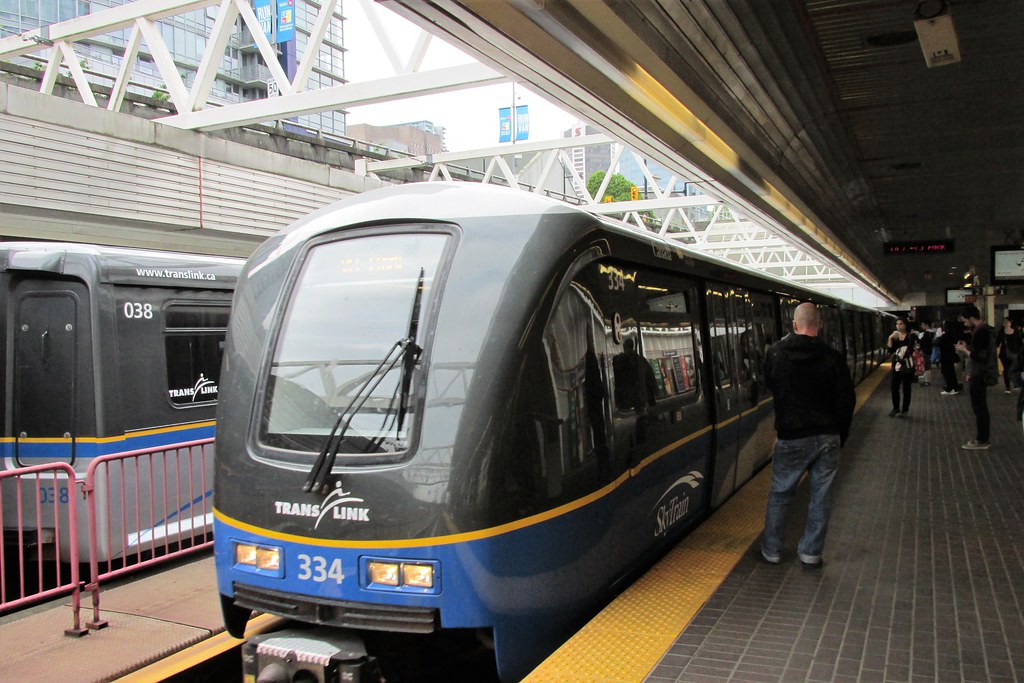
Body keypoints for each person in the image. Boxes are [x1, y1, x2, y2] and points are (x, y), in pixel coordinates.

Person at [760, 303, 855, 568]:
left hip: (791, 437)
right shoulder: (833, 357)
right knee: (821, 497)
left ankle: (772, 549)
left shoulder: (776, 353)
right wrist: (840, 436)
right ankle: (811, 552)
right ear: (820, 324)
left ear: (794, 325)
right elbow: (846, 400)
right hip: (827, 437)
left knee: (780, 494)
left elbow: (769, 384)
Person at [956, 305, 997, 450]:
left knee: (979, 407)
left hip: (979, 374)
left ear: (971, 318)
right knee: (980, 407)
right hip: (981, 373)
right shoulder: (986, 330)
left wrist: (965, 350)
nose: (964, 323)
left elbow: (980, 356)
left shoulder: (981, 332)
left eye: (965, 320)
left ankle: (982, 440)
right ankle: (982, 438)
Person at [886, 317, 916, 416]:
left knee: (906, 387)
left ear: (905, 325)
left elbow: (912, 349)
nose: (898, 326)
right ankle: (896, 408)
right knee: (894, 386)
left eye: (901, 324)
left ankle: (905, 408)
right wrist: (890, 338)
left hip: (907, 364)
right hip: (897, 365)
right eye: (897, 324)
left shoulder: (910, 336)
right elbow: (890, 350)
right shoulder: (895, 337)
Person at [995, 317, 1022, 393]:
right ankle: (1008, 387)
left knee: (1014, 370)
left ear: (1011, 323)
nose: (1006, 323)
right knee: (1006, 370)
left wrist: (1019, 351)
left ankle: (1015, 384)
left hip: (1015, 354)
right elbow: (997, 343)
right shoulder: (1001, 333)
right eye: (1004, 322)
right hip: (1004, 354)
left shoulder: (1016, 332)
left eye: (1007, 321)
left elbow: (1020, 343)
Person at [936, 320, 962, 395]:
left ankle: (950, 388)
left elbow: (938, 343)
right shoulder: (952, 335)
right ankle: (954, 387)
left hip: (945, 356)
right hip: (951, 355)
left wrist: (940, 336)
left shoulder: (945, 336)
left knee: (946, 372)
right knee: (951, 372)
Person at [916, 320, 934, 386]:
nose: (922, 326)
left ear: (926, 325)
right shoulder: (931, 332)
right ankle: (927, 379)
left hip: (926, 351)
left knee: (927, 366)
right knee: (927, 365)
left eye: (923, 325)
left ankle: (927, 381)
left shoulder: (927, 333)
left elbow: (922, 341)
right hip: (928, 350)